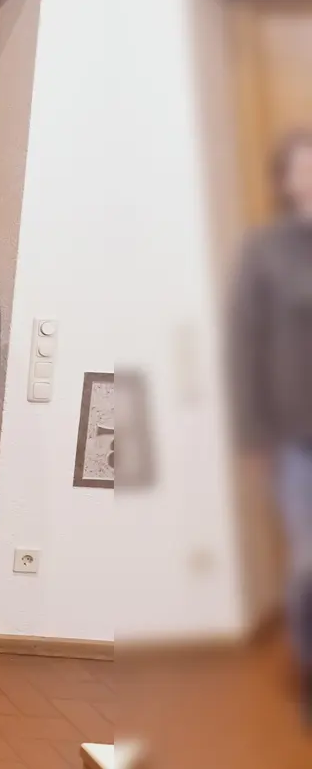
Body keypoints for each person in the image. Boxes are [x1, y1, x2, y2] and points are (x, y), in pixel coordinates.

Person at [230, 129, 312, 722]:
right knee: (308, 561)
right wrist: (252, 431)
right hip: (295, 434)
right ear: (285, 181)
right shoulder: (266, 250)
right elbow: (244, 345)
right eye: (301, 169)